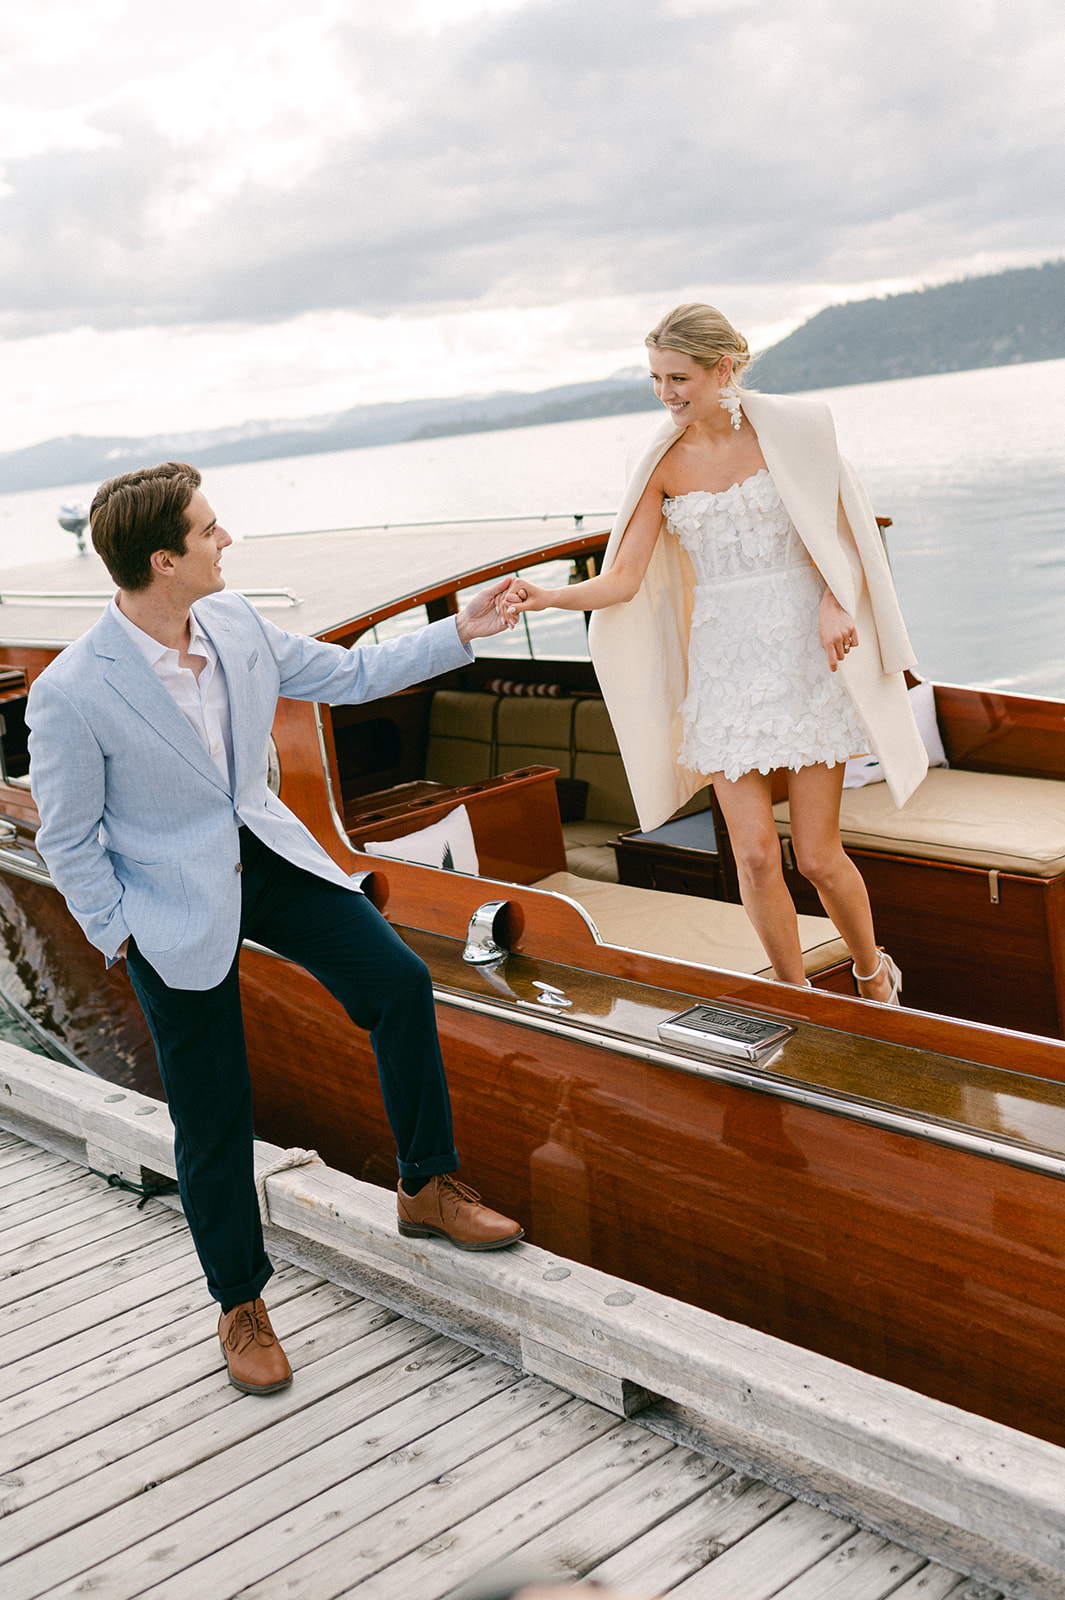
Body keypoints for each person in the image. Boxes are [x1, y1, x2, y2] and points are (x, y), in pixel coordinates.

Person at [26, 462, 524, 1397]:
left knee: (397, 983)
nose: (227, 541)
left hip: (270, 859)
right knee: (213, 1109)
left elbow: (349, 673)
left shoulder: (235, 620)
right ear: (164, 560)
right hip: (167, 905)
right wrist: (119, 935)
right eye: (210, 531)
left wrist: (465, 631)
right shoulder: (71, 692)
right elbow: (68, 838)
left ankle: (426, 1185)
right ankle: (239, 1303)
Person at [502, 303, 928, 1005]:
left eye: (679, 378)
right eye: (655, 380)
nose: (666, 395)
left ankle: (870, 972)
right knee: (755, 855)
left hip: (805, 661)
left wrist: (833, 601)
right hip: (725, 671)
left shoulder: (790, 437)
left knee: (818, 857)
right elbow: (623, 579)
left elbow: (844, 537)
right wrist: (548, 598)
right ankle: (798, 1001)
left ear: (721, 369)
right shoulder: (662, 465)